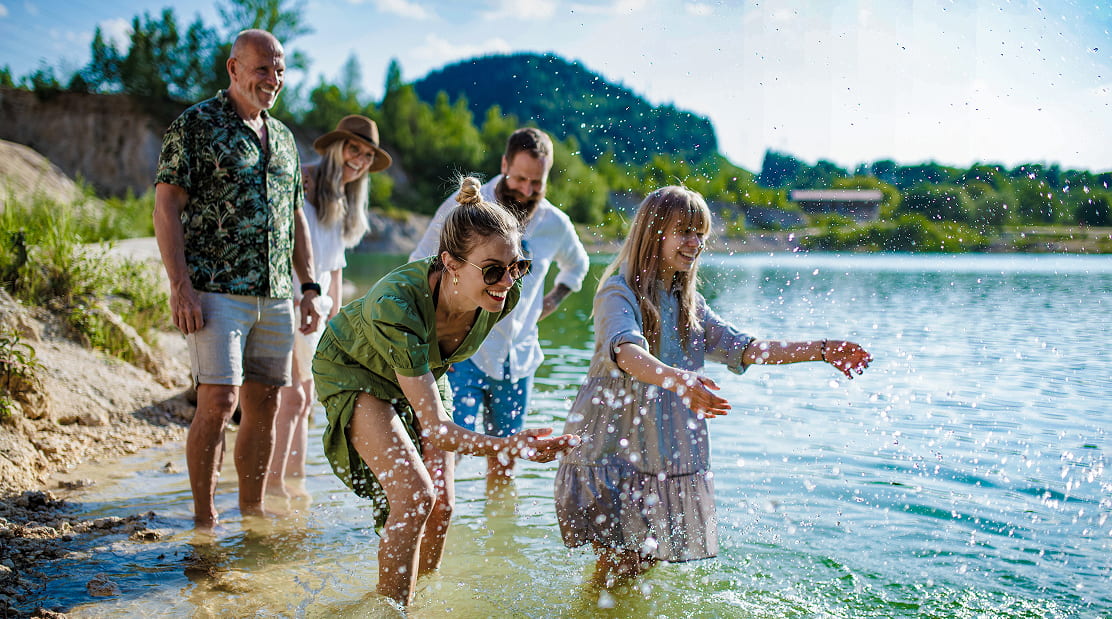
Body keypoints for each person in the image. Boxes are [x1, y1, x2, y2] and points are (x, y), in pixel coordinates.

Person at [553, 186, 872, 587]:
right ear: (654, 233)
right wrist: (679, 377)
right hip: (611, 454)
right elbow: (626, 352)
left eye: (700, 233)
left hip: (656, 457)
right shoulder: (619, 292)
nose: (696, 242)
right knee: (618, 568)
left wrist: (821, 349)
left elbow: (749, 348)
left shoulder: (689, 303)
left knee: (640, 563)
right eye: (684, 231)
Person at [314, 176, 579, 607]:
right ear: (450, 264)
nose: (508, 280)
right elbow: (436, 429)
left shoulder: (501, 297)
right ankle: (390, 612)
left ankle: (418, 600)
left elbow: (450, 355)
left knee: (442, 507)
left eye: (518, 266)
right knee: (416, 495)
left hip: (422, 368)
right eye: (493, 269)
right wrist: (509, 446)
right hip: (356, 368)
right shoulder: (396, 306)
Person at [153, 29, 321, 530]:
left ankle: (251, 514)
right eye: (262, 68)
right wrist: (179, 284)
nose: (273, 79)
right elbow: (166, 204)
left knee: (265, 405)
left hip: (274, 295)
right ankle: (204, 522)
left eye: (281, 70)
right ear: (233, 69)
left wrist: (308, 286)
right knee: (219, 401)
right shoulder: (196, 125)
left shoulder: (286, 139)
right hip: (215, 289)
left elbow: (295, 217)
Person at [408, 127, 588, 484]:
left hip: (518, 359)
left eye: (536, 182)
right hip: (462, 355)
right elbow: (420, 263)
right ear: (504, 163)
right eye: (520, 178)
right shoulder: (465, 208)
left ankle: (500, 537)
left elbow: (578, 265)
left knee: (507, 459)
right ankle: (437, 527)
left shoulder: (555, 223)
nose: (526, 189)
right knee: (446, 456)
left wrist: (548, 304)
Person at [265, 115, 392, 499]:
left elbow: (334, 269)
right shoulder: (301, 183)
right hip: (288, 299)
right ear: (337, 148)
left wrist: (337, 327)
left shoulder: (341, 197)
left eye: (368, 155)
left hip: (316, 310)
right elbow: (286, 249)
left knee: (303, 402)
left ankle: (295, 482)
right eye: (354, 149)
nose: (360, 160)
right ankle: (272, 487)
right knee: (293, 397)